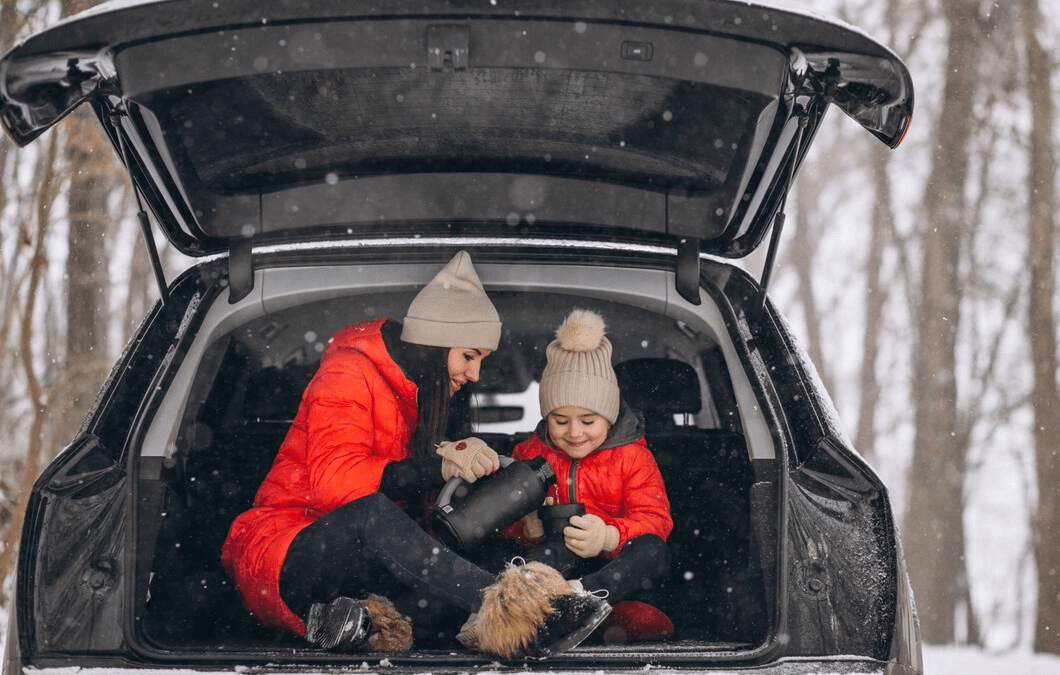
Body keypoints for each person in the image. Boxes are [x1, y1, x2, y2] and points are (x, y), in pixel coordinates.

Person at [220, 252, 610, 658]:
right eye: (469, 356)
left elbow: (438, 522)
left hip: (362, 568)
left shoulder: (425, 401)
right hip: (285, 551)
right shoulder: (347, 374)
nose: (475, 375)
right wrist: (437, 464)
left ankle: (357, 624)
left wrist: (515, 518)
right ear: (435, 343)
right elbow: (335, 486)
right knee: (374, 513)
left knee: (459, 557)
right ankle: (515, 613)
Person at [497, 309, 674, 641]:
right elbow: (500, 522)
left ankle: (584, 600)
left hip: (614, 573)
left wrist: (608, 536)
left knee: (653, 548)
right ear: (547, 417)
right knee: (547, 549)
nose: (574, 432)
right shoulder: (529, 454)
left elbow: (655, 519)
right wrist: (526, 529)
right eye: (560, 421)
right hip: (552, 564)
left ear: (608, 416)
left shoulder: (633, 456)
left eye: (588, 421)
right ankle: (522, 606)